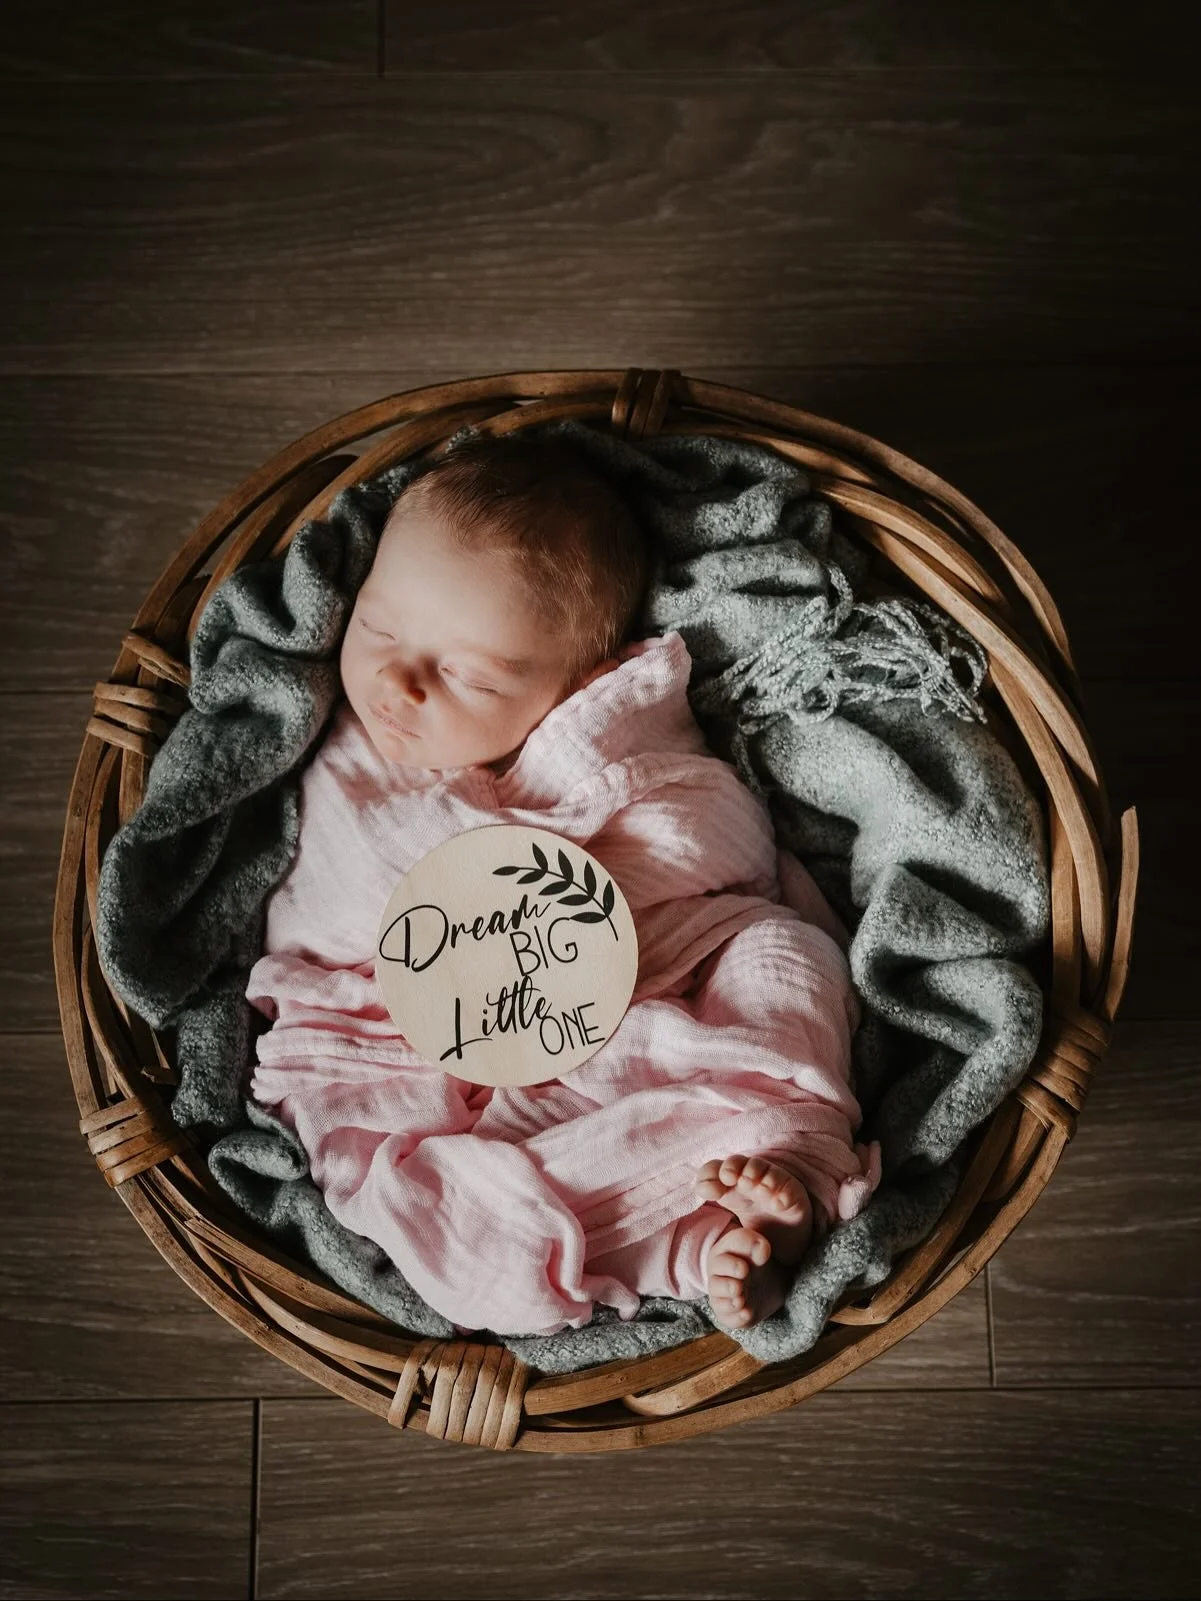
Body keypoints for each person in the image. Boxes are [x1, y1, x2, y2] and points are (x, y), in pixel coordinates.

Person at [245, 432, 880, 1336]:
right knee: (437, 1202)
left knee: (790, 953)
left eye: (463, 674)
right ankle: (696, 1245)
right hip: (410, 1035)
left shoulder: (617, 739)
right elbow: (341, 903)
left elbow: (710, 835)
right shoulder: (348, 756)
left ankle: (762, 1197)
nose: (397, 680)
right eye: (380, 625)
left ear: (578, 684)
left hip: (642, 1000)